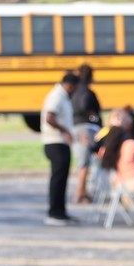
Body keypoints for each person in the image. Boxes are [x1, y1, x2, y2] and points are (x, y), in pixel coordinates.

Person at [41, 71, 80, 225]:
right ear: (70, 85)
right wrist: (64, 130)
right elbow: (50, 117)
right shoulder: (57, 96)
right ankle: (54, 213)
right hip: (55, 142)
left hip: (61, 142)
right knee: (57, 179)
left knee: (62, 179)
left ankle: (61, 211)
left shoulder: (63, 96)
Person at [70, 64, 103, 205]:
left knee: (82, 162)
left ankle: (82, 192)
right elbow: (86, 107)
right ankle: (80, 193)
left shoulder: (73, 92)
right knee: (84, 163)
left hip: (74, 127)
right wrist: (93, 117)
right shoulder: (87, 93)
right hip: (86, 128)